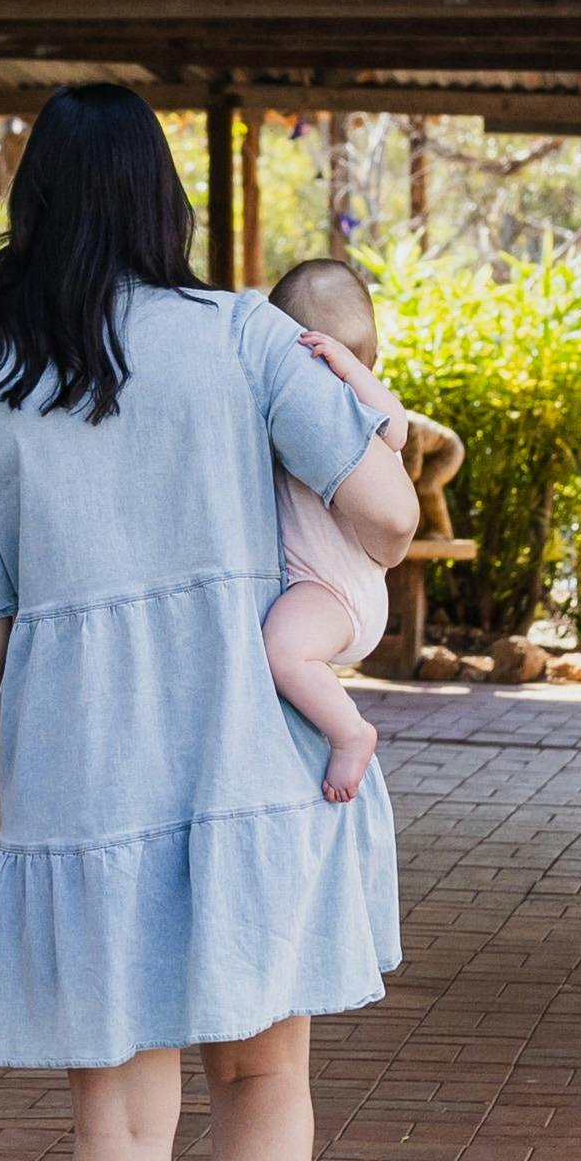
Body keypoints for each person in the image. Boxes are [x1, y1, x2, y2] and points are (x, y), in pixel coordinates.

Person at [0, 88, 418, 1161]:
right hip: (254, 775)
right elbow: (383, 516)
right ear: (161, 205)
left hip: (84, 791)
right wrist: (350, 389)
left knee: (118, 1127)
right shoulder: (248, 338)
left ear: (32, 208)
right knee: (264, 1083)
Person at [254, 254, 445, 803]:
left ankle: (350, 732)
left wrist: (351, 373)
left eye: (331, 356)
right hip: (314, 583)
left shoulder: (356, 408)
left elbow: (398, 429)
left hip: (337, 592)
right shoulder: (288, 405)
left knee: (282, 652)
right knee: (280, 650)